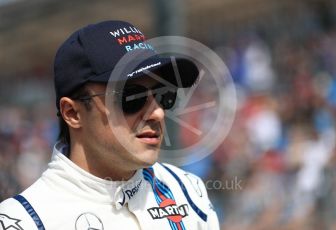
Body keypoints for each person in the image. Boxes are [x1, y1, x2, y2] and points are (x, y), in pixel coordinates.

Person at [0, 20, 219, 230]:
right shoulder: (23, 221)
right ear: (72, 113)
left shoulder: (188, 191)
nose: (158, 113)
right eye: (132, 98)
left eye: (165, 95)